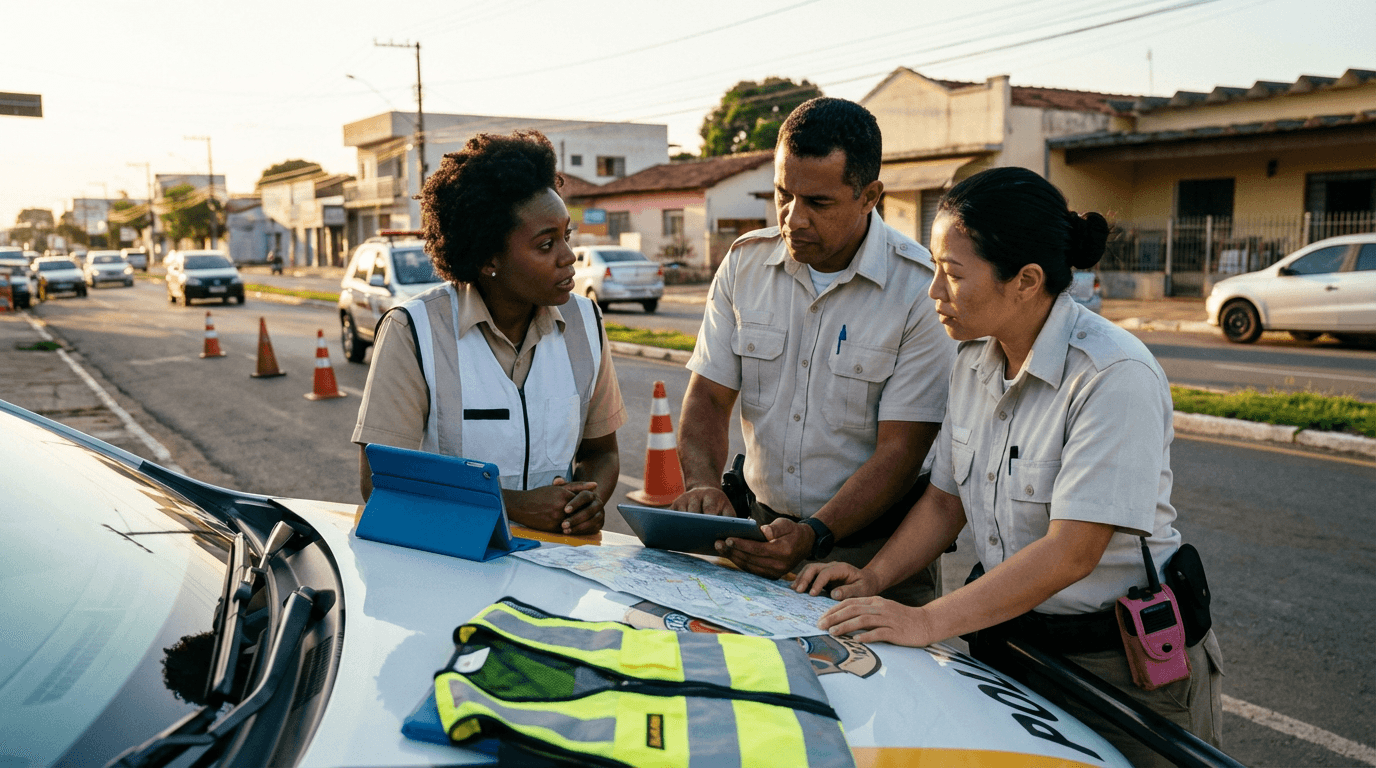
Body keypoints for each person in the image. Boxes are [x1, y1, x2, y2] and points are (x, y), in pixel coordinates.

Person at [796, 167, 1223, 766]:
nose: (934, 292)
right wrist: (873, 577)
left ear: (1026, 280)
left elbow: (1072, 551)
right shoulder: (973, 360)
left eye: (952, 273)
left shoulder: (1112, 376)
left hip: (1120, 669)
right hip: (1014, 648)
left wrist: (925, 622)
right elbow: (944, 500)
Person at [671, 97, 956, 606]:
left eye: (818, 203)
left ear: (869, 196)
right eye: (783, 194)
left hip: (874, 556)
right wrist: (704, 486)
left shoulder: (919, 288)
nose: (793, 218)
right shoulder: (744, 265)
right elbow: (709, 398)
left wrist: (814, 534)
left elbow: (901, 450)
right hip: (756, 537)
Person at [352, 130, 625, 536]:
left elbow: (601, 453)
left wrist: (586, 501)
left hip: (560, 564)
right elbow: (379, 482)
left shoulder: (586, 323)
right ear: (488, 259)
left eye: (566, 236)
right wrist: (511, 506)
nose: (569, 257)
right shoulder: (413, 331)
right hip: (449, 561)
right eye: (546, 245)